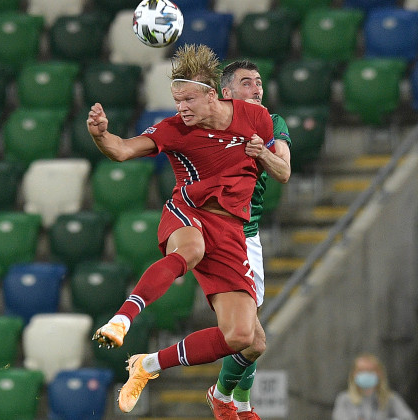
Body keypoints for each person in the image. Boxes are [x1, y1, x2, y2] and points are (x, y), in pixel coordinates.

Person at [86, 43, 276, 415]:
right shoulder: (173, 130)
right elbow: (122, 150)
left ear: (211, 95)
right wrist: (100, 135)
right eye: (176, 101)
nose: (181, 108)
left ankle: (147, 365)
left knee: (245, 339)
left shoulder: (256, 120)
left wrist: (267, 155)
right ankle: (122, 319)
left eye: (188, 99)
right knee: (190, 251)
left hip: (231, 230)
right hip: (189, 209)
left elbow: (279, 166)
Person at [209, 60, 292, 420]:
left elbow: (284, 171)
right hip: (221, 234)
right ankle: (226, 398)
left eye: (258, 82)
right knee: (252, 338)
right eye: (246, 83)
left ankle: (236, 402)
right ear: (226, 94)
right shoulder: (215, 123)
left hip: (250, 235)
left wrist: (263, 153)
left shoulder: (272, 124)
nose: (256, 89)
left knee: (254, 337)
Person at [332, 353, 417, 420]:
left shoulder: (391, 399)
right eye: (361, 371)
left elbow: (409, 418)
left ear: (379, 373)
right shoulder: (344, 399)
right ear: (353, 374)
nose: (365, 374)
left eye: (370, 371)